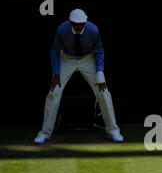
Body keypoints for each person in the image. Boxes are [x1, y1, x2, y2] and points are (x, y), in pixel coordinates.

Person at [34, 9, 124, 144]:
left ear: (85, 22)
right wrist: (56, 73)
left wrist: (100, 73)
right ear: (70, 22)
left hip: (88, 58)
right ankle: (44, 133)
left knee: (103, 91)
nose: (78, 26)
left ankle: (113, 131)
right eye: (75, 24)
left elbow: (99, 51)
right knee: (54, 92)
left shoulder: (93, 30)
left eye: (81, 24)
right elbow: (55, 51)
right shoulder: (62, 30)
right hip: (66, 58)